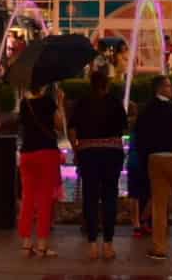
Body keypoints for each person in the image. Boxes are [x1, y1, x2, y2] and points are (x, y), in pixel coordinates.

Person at [67, 61, 126, 261]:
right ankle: (108, 245)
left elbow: (72, 130)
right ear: (106, 85)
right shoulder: (115, 102)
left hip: (88, 154)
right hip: (111, 154)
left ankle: (92, 245)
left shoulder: (81, 103)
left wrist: (76, 150)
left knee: (90, 197)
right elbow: (123, 128)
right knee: (110, 196)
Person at [132, 73, 172, 260]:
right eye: (168, 86)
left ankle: (159, 248)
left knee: (159, 205)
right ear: (159, 89)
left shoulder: (146, 110)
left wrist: (145, 159)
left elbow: (139, 137)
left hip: (155, 160)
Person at [16, 78, 65, 258]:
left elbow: (23, 127)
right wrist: (60, 104)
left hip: (27, 154)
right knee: (45, 200)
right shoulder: (48, 102)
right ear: (43, 85)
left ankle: (26, 244)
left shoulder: (24, 104)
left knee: (28, 198)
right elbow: (60, 126)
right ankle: (42, 245)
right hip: (47, 153)